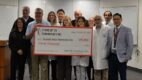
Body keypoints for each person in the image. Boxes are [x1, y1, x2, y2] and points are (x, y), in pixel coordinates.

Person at [26, 8, 51, 80]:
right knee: (34, 67)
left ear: (42, 14)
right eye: (36, 13)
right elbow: (27, 37)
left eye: (39, 13)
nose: (38, 14)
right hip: (33, 47)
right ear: (34, 14)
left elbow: (51, 36)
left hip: (44, 47)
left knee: (44, 67)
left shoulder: (47, 23)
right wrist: (33, 31)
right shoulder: (30, 24)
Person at [107, 13, 133, 80]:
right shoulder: (110, 30)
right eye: (114, 19)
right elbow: (109, 43)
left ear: (121, 19)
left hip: (121, 57)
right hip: (112, 56)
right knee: (112, 75)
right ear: (113, 20)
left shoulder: (127, 30)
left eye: (118, 19)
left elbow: (130, 45)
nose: (116, 20)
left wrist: (126, 58)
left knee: (122, 76)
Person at [11, 6, 34, 78]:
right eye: (24, 10)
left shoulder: (32, 20)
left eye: (26, 10)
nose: (25, 12)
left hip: (29, 46)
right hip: (20, 47)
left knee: (31, 63)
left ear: (29, 11)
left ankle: (31, 77)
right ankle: (19, 77)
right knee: (20, 65)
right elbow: (13, 31)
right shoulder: (18, 20)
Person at [92, 15, 109, 80]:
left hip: (104, 54)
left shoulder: (107, 28)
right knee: (96, 72)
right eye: (95, 19)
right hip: (95, 54)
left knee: (105, 73)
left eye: (98, 19)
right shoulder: (92, 29)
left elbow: (110, 41)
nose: (97, 21)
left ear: (101, 20)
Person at [56, 16, 72, 80]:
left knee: (68, 67)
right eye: (64, 20)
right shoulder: (60, 29)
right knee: (60, 67)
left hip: (69, 51)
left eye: (67, 20)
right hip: (61, 51)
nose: (65, 21)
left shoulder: (74, 29)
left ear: (70, 21)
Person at [47, 11, 60, 80]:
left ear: (55, 16)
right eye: (50, 15)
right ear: (48, 16)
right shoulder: (45, 24)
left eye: (53, 15)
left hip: (55, 49)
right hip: (46, 48)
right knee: (46, 67)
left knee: (54, 67)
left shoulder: (58, 24)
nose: (51, 16)